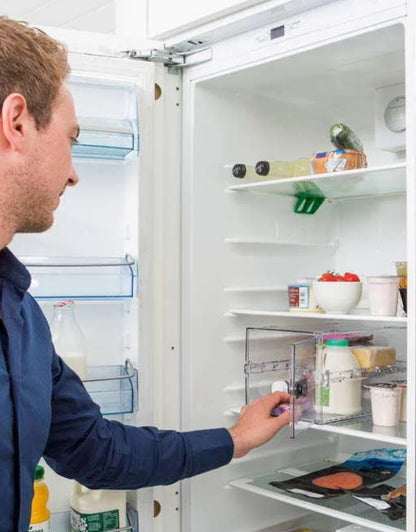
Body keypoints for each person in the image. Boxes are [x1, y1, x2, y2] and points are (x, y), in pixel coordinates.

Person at [0, 16, 291, 531]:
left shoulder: (21, 315)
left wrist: (235, 439)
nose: (74, 171)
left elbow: (94, 450)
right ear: (17, 123)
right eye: (71, 138)